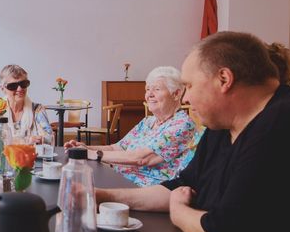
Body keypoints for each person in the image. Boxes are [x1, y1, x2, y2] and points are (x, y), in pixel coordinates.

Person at [97, 31, 290, 232]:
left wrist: (179, 211)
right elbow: (179, 186)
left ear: (224, 79)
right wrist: (102, 197)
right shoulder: (222, 126)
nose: (187, 97)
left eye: (190, 86)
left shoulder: (283, 122)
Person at [64, 66, 198, 186]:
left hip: (142, 188)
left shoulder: (182, 124)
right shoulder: (147, 122)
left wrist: (93, 154)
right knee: (68, 178)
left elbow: (142, 158)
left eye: (156, 89)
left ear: (176, 94)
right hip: (119, 177)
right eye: (147, 89)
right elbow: (116, 147)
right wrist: (84, 148)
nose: (149, 94)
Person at [0, 64, 53, 142]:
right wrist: (25, 141)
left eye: (23, 84)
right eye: (13, 85)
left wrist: (41, 140)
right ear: (3, 89)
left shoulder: (37, 110)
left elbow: (50, 138)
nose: (20, 89)